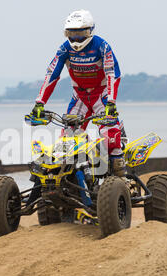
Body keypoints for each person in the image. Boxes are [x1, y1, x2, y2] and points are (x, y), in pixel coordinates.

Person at [30, 9, 126, 177]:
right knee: (67, 141)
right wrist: (40, 103)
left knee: (111, 138)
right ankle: (71, 179)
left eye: (80, 33)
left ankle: (121, 179)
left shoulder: (101, 46)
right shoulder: (65, 49)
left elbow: (112, 73)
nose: (76, 38)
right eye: (71, 33)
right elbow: (52, 74)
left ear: (90, 30)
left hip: (101, 96)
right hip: (79, 97)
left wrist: (111, 101)